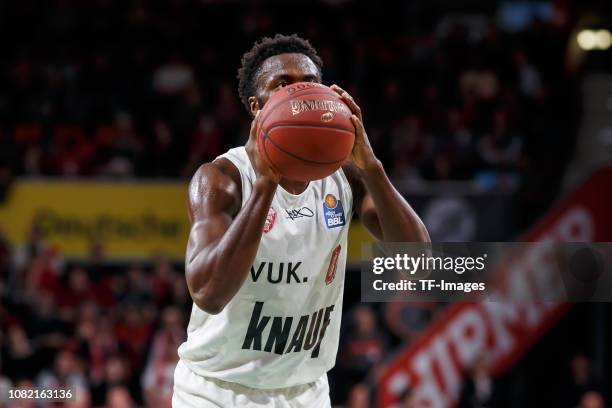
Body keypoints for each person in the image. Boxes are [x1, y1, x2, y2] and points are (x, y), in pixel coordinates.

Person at [173, 33, 430, 407]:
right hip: (216, 390)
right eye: (283, 85)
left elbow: (419, 266)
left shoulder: (346, 178)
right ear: (256, 106)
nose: (300, 93)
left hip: (305, 392)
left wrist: (371, 166)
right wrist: (266, 183)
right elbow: (208, 294)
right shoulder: (222, 179)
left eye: (310, 83)